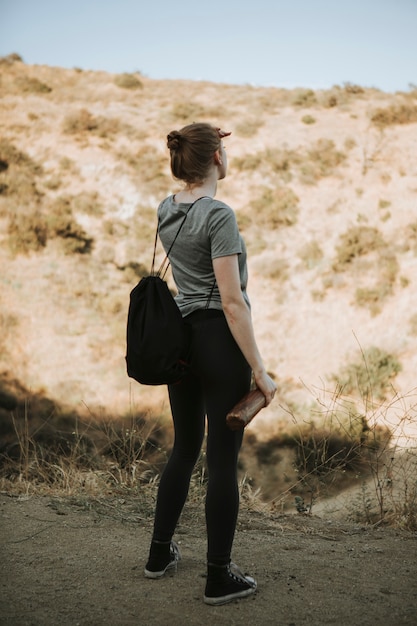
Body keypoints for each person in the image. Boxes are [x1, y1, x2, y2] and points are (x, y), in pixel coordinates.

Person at [144, 122, 277, 606]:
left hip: (181, 341)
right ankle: (218, 577)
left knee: (184, 447)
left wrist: (201, 137)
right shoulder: (219, 215)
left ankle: (159, 554)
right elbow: (232, 301)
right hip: (218, 341)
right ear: (218, 159)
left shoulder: (166, 207)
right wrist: (259, 371)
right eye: (221, 150)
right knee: (222, 460)